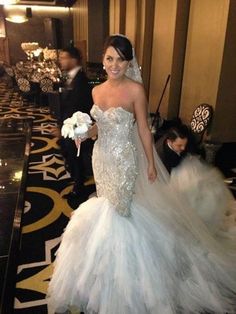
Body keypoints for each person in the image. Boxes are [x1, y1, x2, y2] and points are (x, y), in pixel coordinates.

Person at [47, 35, 236, 314]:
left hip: (125, 159)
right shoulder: (96, 91)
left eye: (121, 59)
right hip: (102, 158)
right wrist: (83, 133)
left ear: (128, 62)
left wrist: (149, 162)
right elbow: (100, 127)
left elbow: (144, 130)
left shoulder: (136, 90)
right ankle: (105, 272)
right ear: (104, 59)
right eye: (110, 58)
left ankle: (126, 280)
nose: (114, 65)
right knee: (105, 207)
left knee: (120, 211)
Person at [57, 47, 94, 201]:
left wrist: (66, 128)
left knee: (76, 158)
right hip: (69, 127)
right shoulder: (71, 77)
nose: (61, 60)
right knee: (72, 158)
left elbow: (77, 107)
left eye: (64, 57)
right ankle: (79, 183)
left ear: (74, 60)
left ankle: (79, 189)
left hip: (76, 128)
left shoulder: (81, 80)